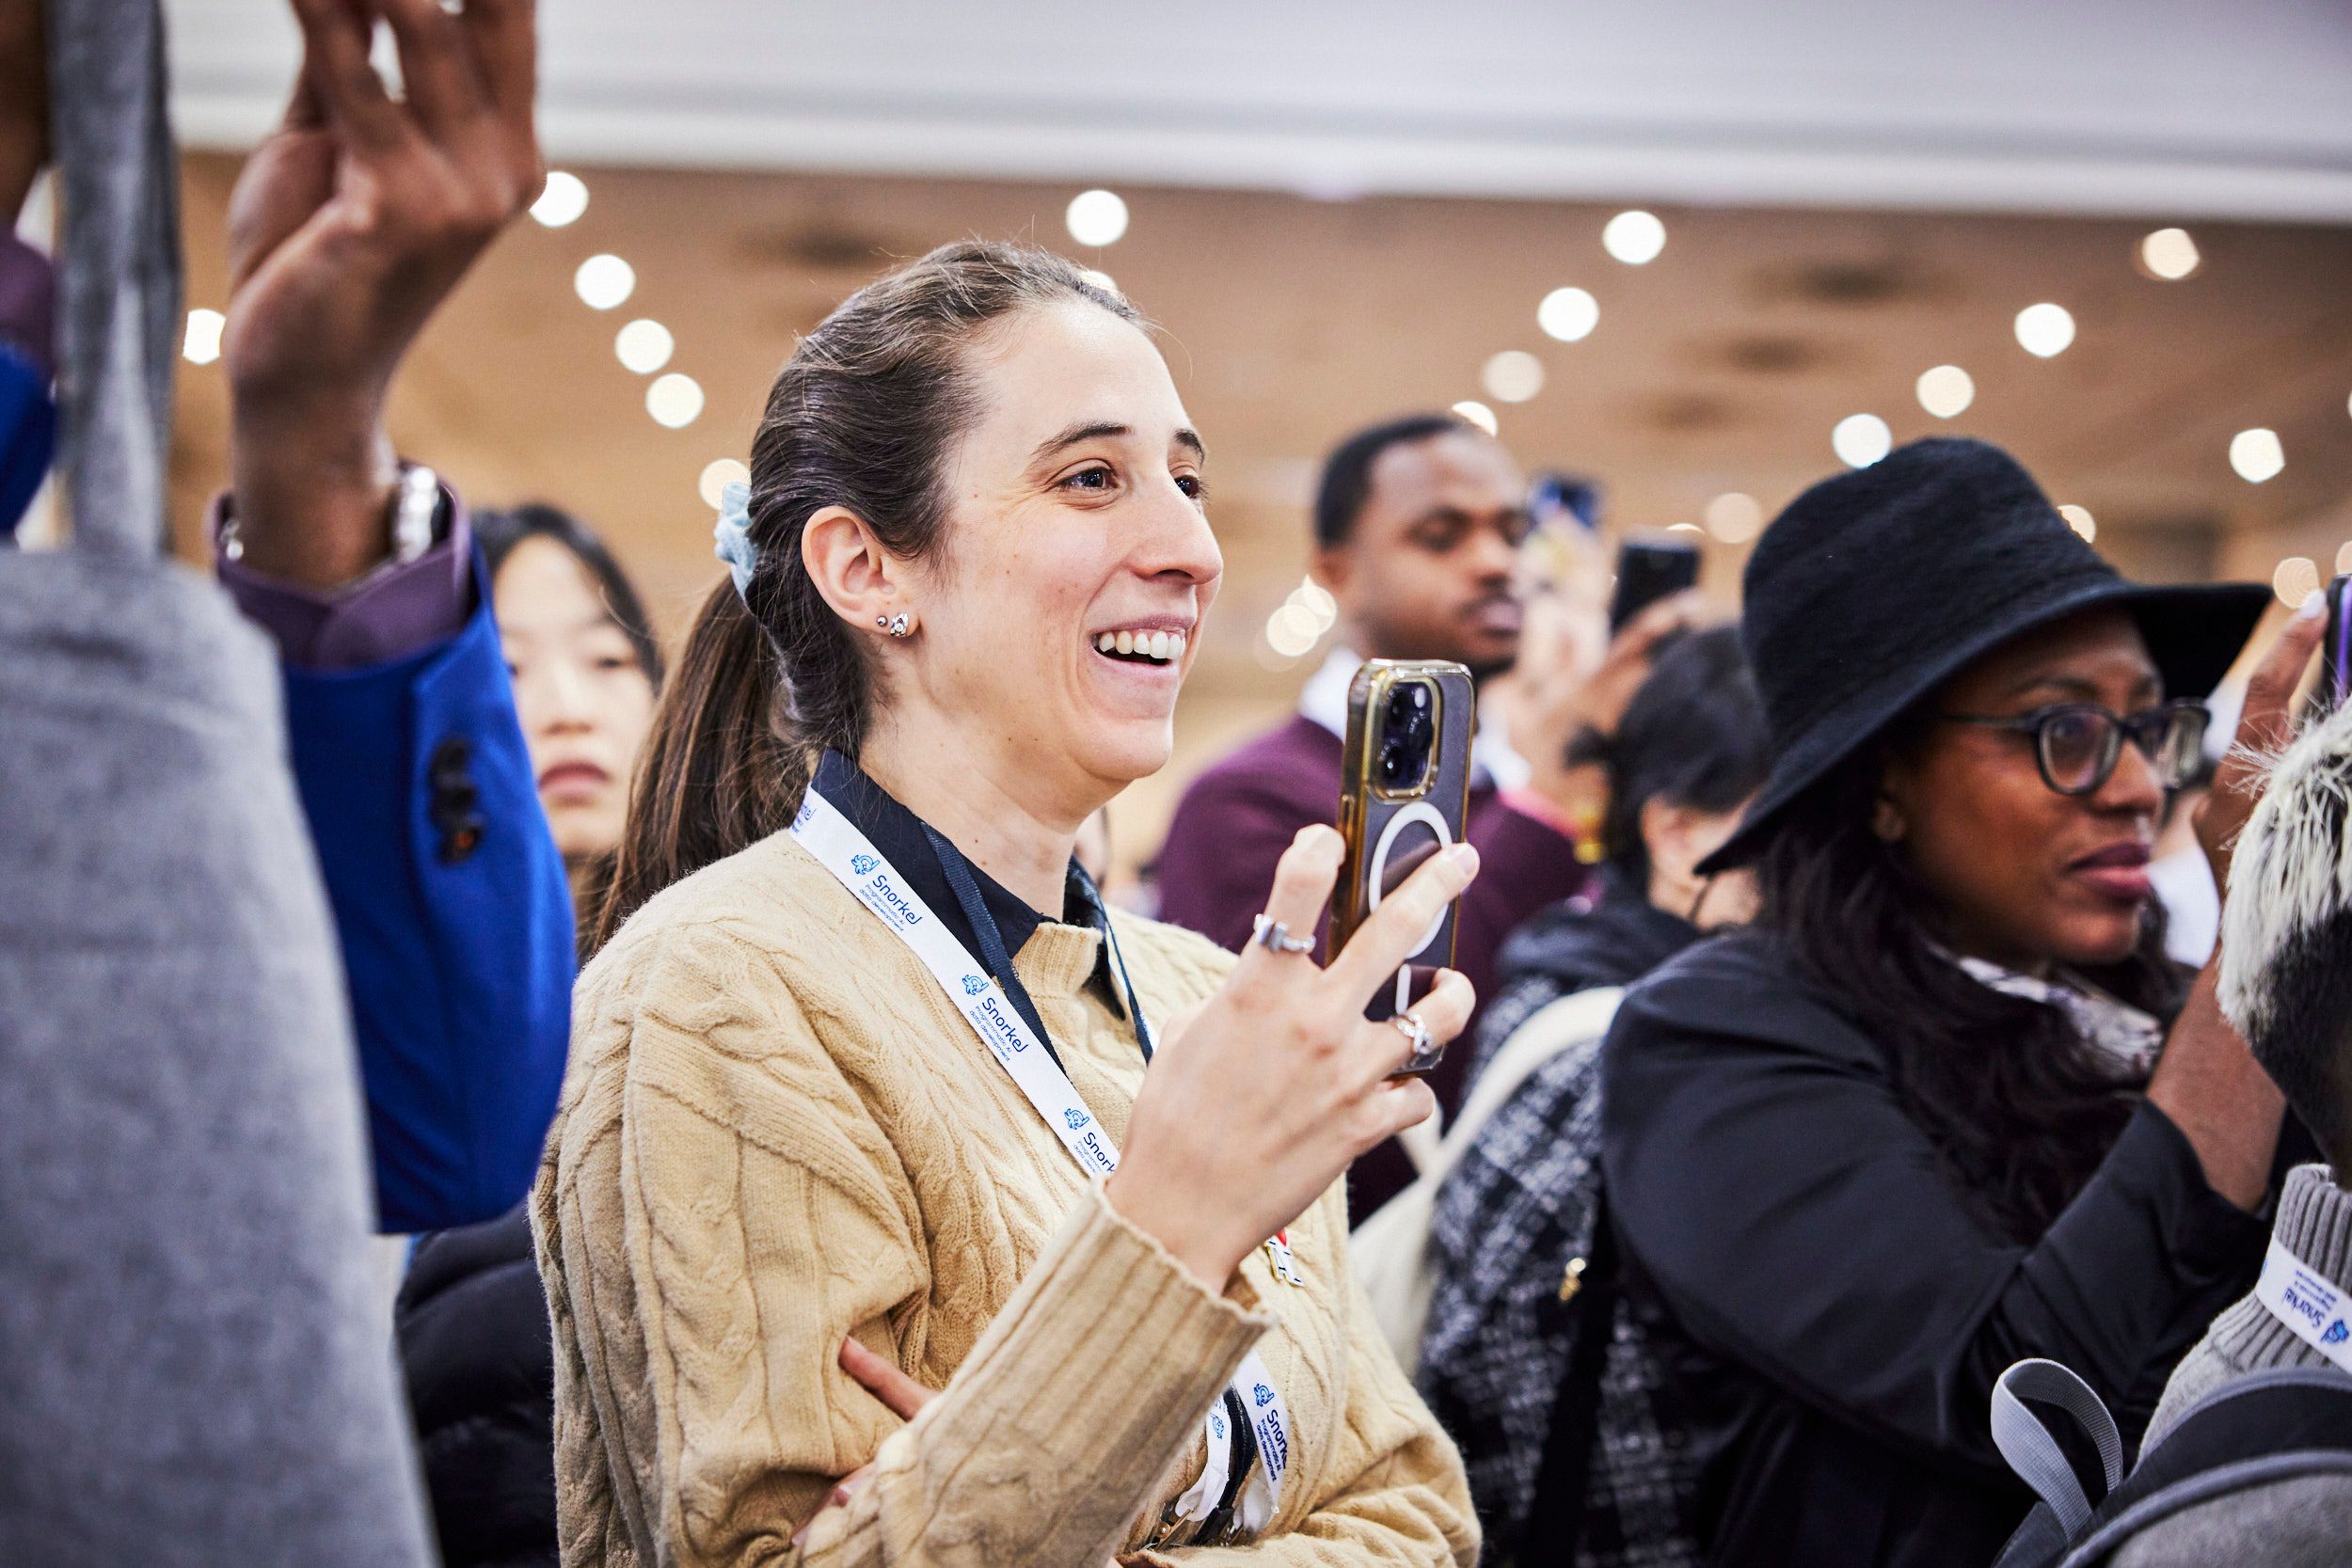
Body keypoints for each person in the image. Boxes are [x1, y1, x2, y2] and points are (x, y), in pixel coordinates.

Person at [539, 240, 1484, 1565]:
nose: (1193, 546)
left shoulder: (1208, 996)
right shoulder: (715, 993)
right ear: (870, 570)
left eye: (1188, 479)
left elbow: (1421, 1520)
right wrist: (1172, 1220)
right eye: (1093, 477)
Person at [1597, 436, 2308, 1568]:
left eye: (2145, 726)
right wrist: (2261, 945)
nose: (2135, 786)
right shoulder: (1714, 1033)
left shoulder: (2170, 1005)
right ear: (1882, 779)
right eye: (2063, 730)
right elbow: (2029, 1400)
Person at [1156, 411, 1692, 1219]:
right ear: (1336, 570)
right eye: (1441, 536)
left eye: (1511, 533)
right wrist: (1547, 805)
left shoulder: (1510, 789)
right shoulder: (1248, 800)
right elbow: (1334, 1087)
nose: (1495, 563)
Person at [1414, 626, 1768, 1565]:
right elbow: (1552, 1437)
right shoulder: (1627, 1058)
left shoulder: (1613, 990)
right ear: (1679, 833)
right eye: (1793, 816)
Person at [398, 502, 661, 1568]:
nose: (563, 710)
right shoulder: (393, 1033)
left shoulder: (732, 985)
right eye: (507, 668)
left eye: (606, 660)